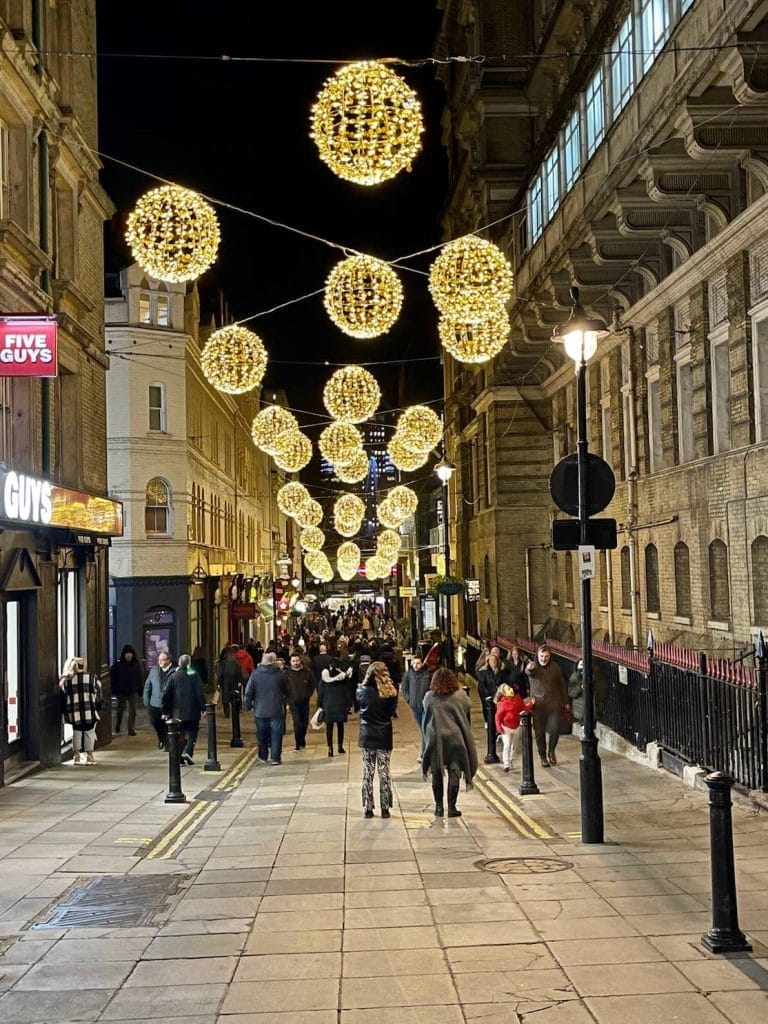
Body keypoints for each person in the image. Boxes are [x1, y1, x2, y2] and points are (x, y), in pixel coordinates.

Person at [422, 667, 478, 818]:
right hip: (455, 737)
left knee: (436, 771)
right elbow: (467, 706)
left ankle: (439, 807)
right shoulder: (460, 696)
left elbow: (424, 709)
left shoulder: (429, 696)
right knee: (455, 769)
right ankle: (452, 807)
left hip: (435, 738)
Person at [357, 661, 398, 818]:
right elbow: (391, 712)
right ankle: (385, 808)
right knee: (384, 771)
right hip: (384, 735)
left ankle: (368, 808)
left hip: (367, 735)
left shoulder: (361, 691)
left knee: (368, 771)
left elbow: (359, 706)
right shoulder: (391, 693)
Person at [525, 644, 569, 767]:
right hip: (538, 706)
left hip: (554, 704)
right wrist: (529, 668)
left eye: (546, 656)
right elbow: (528, 671)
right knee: (539, 733)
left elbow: (561, 684)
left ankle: (551, 751)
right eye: (542, 656)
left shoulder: (555, 667)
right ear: (537, 656)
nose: (544, 659)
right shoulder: (534, 667)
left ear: (550, 656)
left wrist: (565, 701)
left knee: (555, 729)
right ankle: (543, 756)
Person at [244, 652, 290, 765]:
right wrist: (287, 702)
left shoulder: (255, 674)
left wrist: (248, 706)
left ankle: (262, 756)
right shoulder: (280, 674)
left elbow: (249, 692)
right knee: (276, 734)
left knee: (262, 734)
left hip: (260, 711)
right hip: (276, 710)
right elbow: (288, 690)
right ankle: (275, 758)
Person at [162, 654, 206, 765]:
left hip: (178, 712)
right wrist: (203, 708)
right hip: (193, 711)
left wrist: (166, 710)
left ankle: (179, 757)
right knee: (192, 733)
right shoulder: (194, 675)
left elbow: (166, 694)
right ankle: (188, 752)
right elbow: (200, 693)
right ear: (189, 663)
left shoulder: (174, 676)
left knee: (179, 735)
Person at [60, 656, 102, 766]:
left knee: (76, 733)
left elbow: (63, 691)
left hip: (74, 712)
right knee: (89, 732)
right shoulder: (92, 677)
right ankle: (89, 756)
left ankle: (76, 756)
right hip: (89, 710)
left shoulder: (67, 680)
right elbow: (99, 688)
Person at [494, 684, 535, 772]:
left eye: (510, 688)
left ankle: (511, 760)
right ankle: (506, 763)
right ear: (504, 693)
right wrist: (499, 728)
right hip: (506, 727)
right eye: (508, 689)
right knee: (507, 745)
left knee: (514, 746)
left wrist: (531, 704)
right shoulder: (502, 704)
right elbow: (498, 717)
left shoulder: (518, 699)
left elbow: (523, 708)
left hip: (516, 726)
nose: (511, 689)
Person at [143, 651, 176, 749]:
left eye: (163, 660)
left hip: (169, 704)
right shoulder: (154, 670)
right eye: (159, 660)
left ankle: (167, 743)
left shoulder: (174, 671)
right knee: (156, 724)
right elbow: (148, 685)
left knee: (168, 725)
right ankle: (163, 739)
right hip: (154, 704)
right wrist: (146, 700)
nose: (160, 662)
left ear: (168, 660)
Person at [401, 655, 431, 759]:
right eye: (413, 663)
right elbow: (404, 688)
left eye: (418, 663)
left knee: (425, 729)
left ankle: (424, 754)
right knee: (423, 729)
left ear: (422, 663)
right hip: (415, 706)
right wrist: (408, 699)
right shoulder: (409, 674)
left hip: (426, 706)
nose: (415, 665)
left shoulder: (428, 674)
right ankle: (427, 753)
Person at [318, 661, 350, 756]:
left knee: (329, 727)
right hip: (340, 704)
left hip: (328, 704)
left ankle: (330, 748)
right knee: (340, 726)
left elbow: (320, 693)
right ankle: (340, 747)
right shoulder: (343, 678)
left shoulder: (324, 677)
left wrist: (320, 705)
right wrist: (348, 704)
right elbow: (347, 691)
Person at [110, 644, 143, 735]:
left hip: (132, 691)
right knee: (120, 710)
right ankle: (118, 725)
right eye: (127, 653)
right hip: (121, 691)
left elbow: (139, 678)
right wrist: (114, 690)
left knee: (132, 710)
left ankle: (130, 729)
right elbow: (113, 677)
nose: (129, 655)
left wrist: (140, 690)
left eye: (130, 653)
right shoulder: (118, 664)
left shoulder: (136, 664)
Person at [286, 652, 315, 751]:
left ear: (300, 661)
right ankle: (298, 744)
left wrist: (308, 695)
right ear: (290, 662)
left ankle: (302, 739)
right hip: (293, 703)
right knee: (297, 722)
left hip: (304, 702)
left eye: (297, 660)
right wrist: (287, 700)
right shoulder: (287, 673)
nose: (295, 663)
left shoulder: (307, 672)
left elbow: (312, 685)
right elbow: (284, 688)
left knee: (305, 722)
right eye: (293, 661)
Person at [218, 646, 242, 718]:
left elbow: (221, 674)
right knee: (234, 696)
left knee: (226, 698)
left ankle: (227, 713)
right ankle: (236, 710)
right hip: (234, 681)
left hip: (225, 681)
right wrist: (239, 681)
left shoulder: (223, 662)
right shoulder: (236, 662)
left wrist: (219, 683)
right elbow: (239, 673)